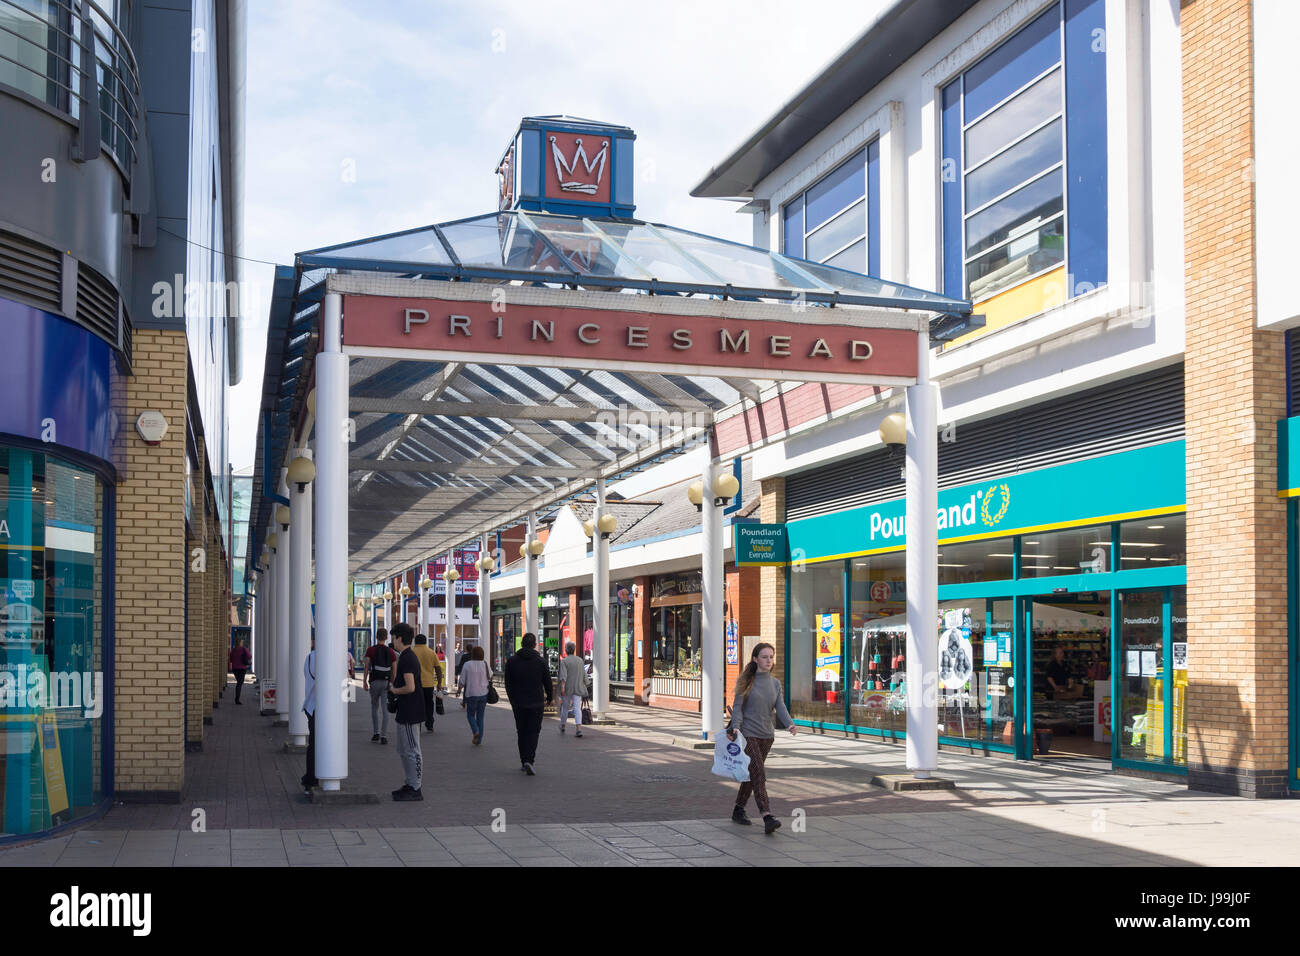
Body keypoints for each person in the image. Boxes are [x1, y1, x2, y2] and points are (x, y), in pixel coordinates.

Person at [726, 642, 796, 834]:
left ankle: (738, 809)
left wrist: (789, 723)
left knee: (752, 774)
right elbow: (737, 708)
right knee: (759, 773)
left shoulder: (775, 683)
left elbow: (779, 706)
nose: (769, 661)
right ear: (755, 659)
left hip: (767, 735)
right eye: (765, 657)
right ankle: (767, 815)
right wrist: (737, 729)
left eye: (771, 657)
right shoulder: (746, 681)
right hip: (748, 734)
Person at [503, 632, 552, 775]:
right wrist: (549, 697)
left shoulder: (512, 661)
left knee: (522, 732)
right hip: (536, 703)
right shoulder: (541, 661)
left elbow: (508, 683)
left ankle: (524, 760)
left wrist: (512, 699)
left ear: (522, 644)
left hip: (519, 703)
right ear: (535, 645)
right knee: (533, 732)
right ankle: (529, 760)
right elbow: (547, 681)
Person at [389, 622, 426, 801]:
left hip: (411, 712)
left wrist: (395, 691)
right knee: (404, 749)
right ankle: (410, 783)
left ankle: (415, 787)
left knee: (412, 750)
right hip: (406, 711)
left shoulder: (407, 658)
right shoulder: (405, 657)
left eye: (394, 637)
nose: (392, 641)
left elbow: (410, 687)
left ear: (400, 638)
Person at [364, 628, 395, 744]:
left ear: (376, 637)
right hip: (386, 683)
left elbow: (367, 666)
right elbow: (394, 669)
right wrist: (392, 682)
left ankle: (376, 733)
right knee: (385, 709)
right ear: (386, 637)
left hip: (374, 681)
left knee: (374, 707)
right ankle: (384, 735)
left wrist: (364, 681)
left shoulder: (371, 650)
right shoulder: (390, 651)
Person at [458, 645, 491, 745]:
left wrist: (459, 690)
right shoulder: (485, 664)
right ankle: (479, 740)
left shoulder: (467, 664)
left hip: (471, 694)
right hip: (483, 693)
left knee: (470, 715)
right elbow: (491, 675)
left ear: (472, 654)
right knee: (480, 717)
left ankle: (475, 731)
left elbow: (462, 680)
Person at [412, 633, 443, 733]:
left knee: (416, 704)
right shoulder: (431, 652)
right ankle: (429, 724)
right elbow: (438, 669)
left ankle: (417, 724)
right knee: (429, 704)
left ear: (415, 641)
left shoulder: (411, 652)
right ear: (425, 641)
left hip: (415, 684)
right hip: (428, 684)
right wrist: (439, 683)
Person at [557, 642, 586, 738]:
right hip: (578, 687)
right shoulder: (580, 660)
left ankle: (563, 725)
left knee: (565, 707)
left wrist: (562, 687)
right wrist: (587, 683)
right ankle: (578, 729)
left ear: (566, 650)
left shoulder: (564, 661)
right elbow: (584, 674)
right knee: (577, 708)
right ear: (574, 650)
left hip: (567, 688)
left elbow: (563, 676)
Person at [301, 633, 318, 795]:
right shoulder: (321, 658)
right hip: (319, 707)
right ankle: (312, 778)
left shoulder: (309, 658)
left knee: (313, 743)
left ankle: (310, 777)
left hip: (310, 706)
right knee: (316, 744)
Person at [229, 639, 252, 704]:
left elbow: (230, 659)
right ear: (241, 643)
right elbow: (250, 656)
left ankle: (237, 699)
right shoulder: (243, 649)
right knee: (239, 683)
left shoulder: (233, 650)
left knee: (239, 683)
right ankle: (237, 699)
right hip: (242, 668)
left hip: (235, 669)